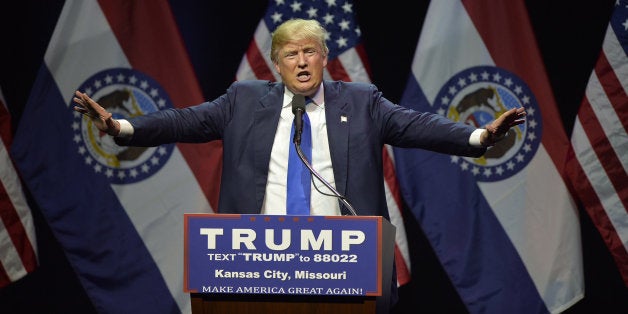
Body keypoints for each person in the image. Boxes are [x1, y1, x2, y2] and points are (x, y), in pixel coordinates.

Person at [74, 18, 524, 219]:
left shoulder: (362, 101)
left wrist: (479, 134)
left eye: (310, 52)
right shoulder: (243, 101)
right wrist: (122, 127)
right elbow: (182, 121)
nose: (302, 62)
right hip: (257, 259)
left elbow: (419, 125)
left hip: (341, 259)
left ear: (325, 58)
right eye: (291, 54)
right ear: (277, 64)